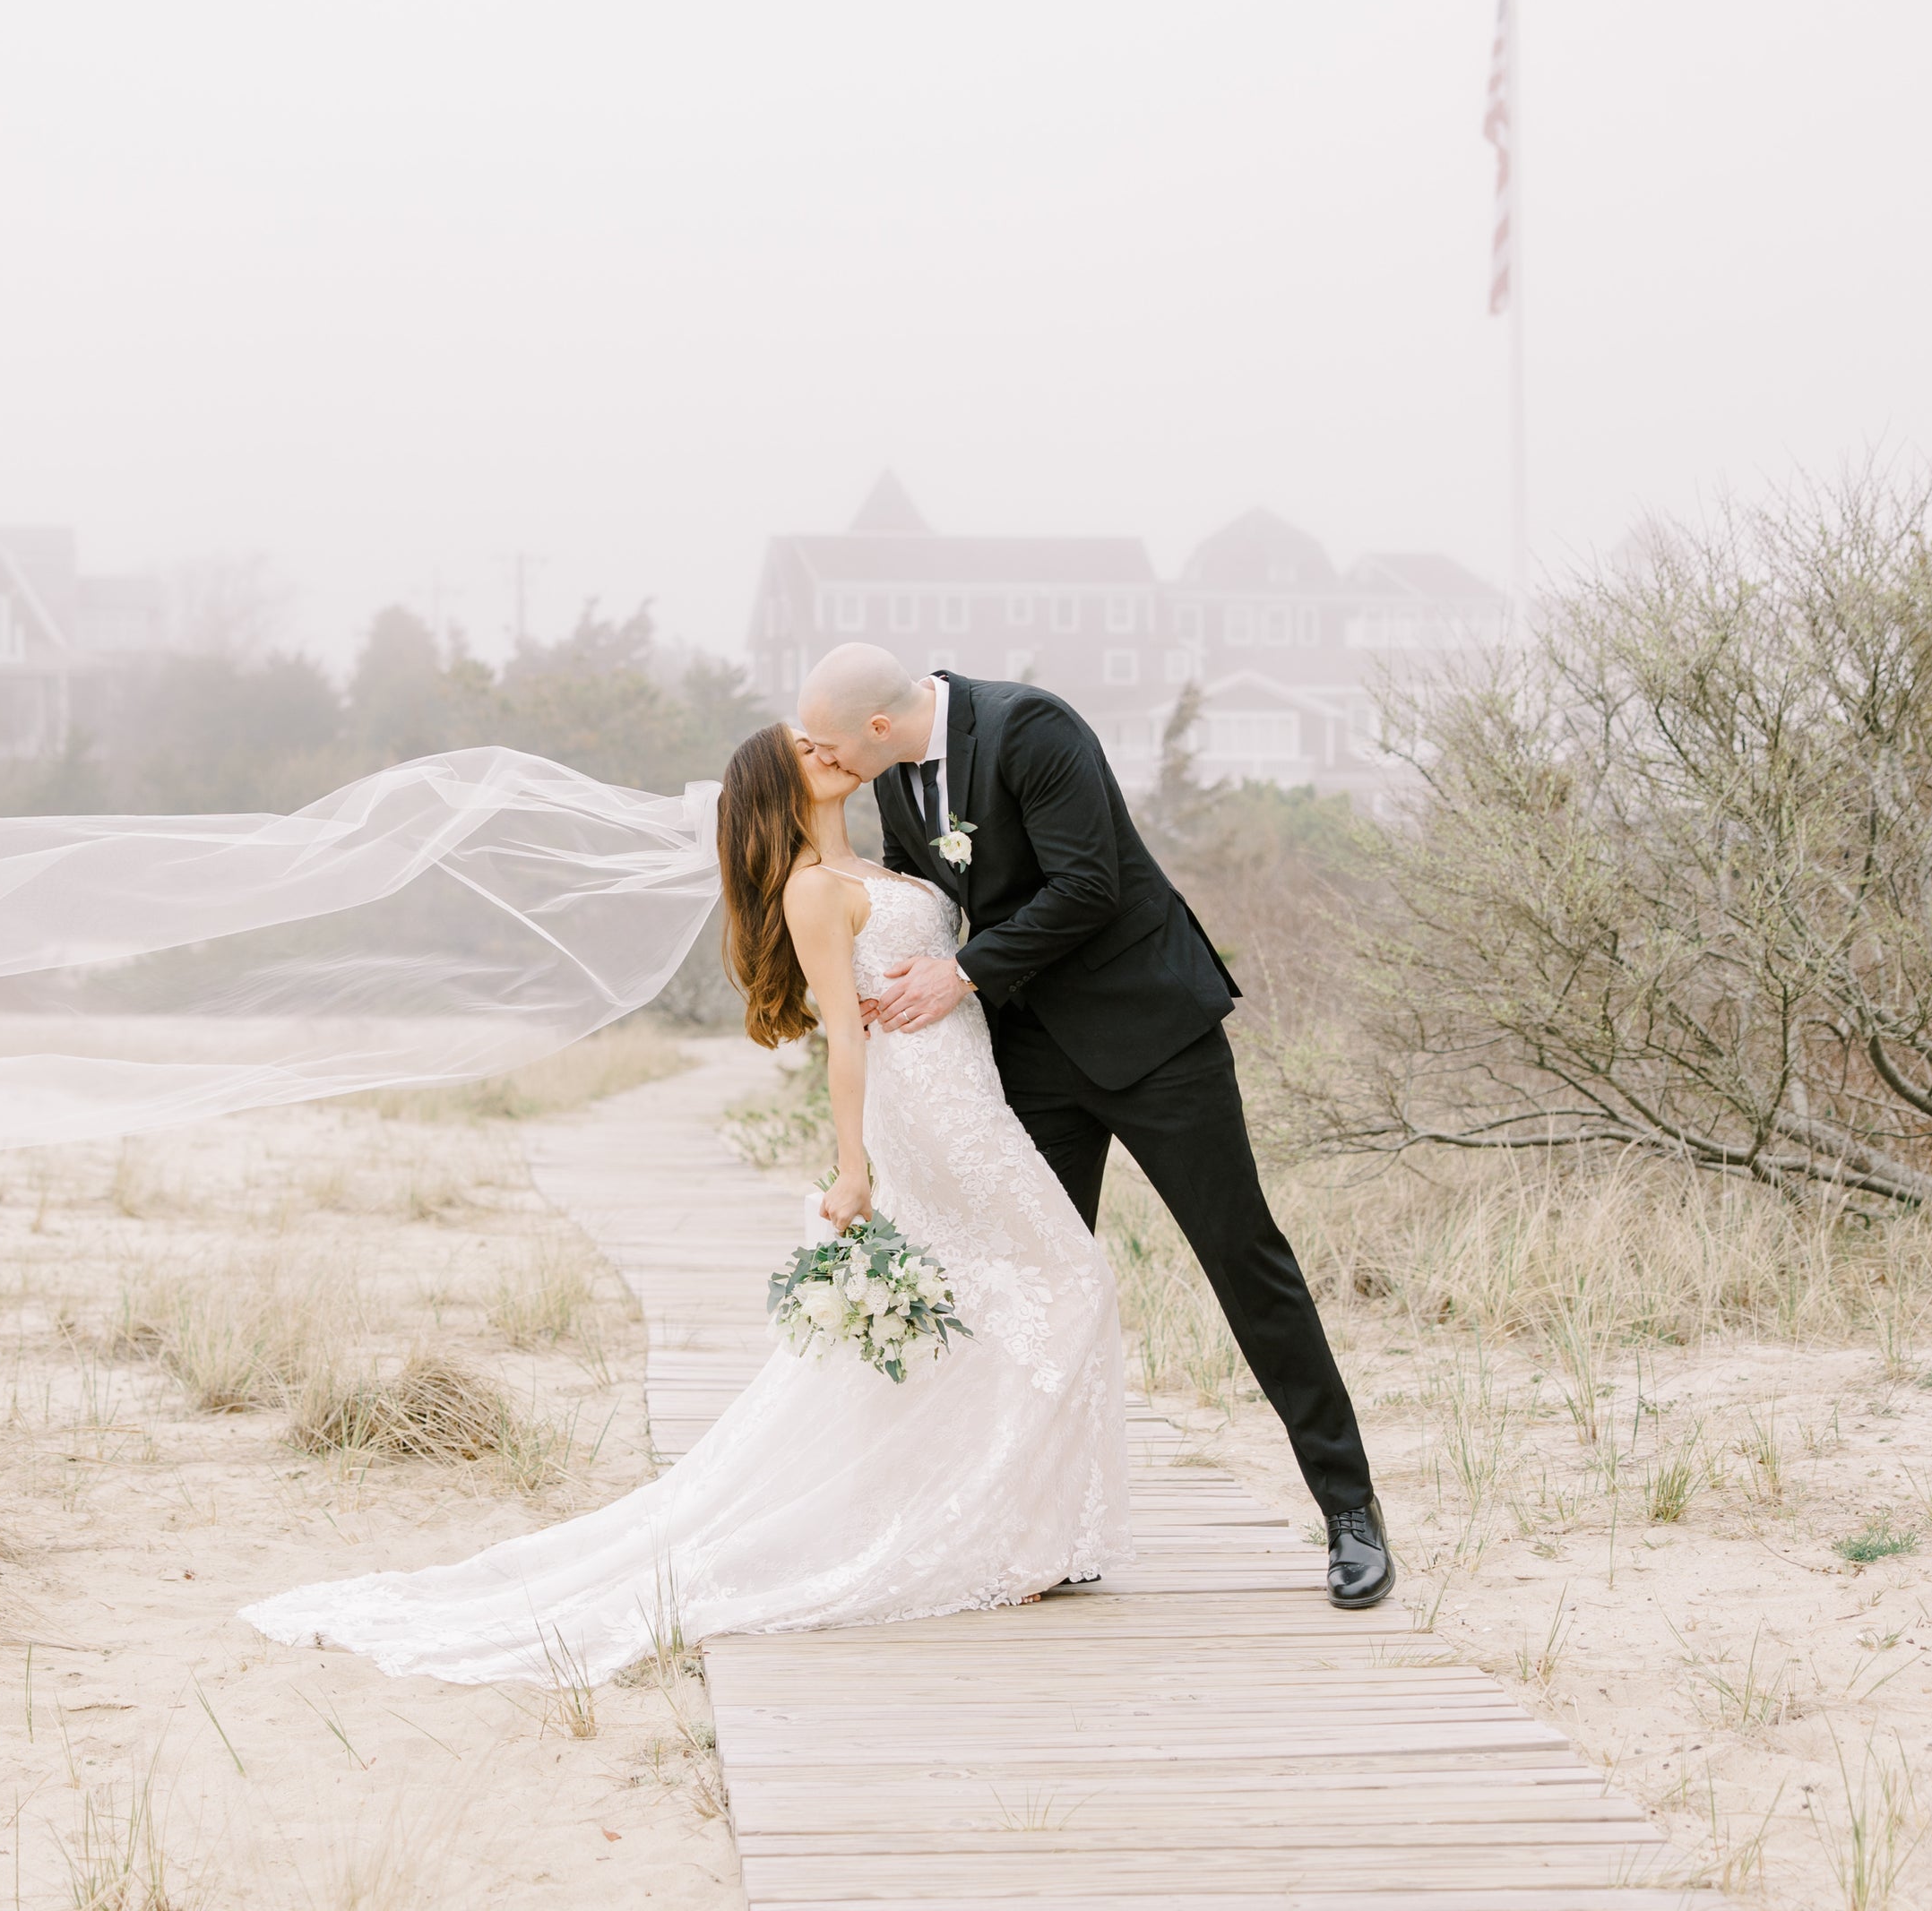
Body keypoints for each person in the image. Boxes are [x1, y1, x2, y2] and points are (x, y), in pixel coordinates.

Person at [240, 721, 1130, 1681]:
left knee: (1026, 1290)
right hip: (930, 1114)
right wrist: (853, 1165)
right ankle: (1015, 1537)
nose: (826, 748)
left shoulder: (886, 862)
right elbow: (844, 1037)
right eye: (805, 749)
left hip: (972, 1088)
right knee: (1068, 1276)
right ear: (779, 790)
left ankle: (1019, 1532)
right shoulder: (812, 890)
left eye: (824, 739)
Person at [795, 641, 1392, 1610]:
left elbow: (1089, 885)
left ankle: (1351, 1513)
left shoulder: (1032, 727)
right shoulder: (895, 778)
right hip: (1029, 1059)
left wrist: (962, 974)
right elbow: (924, 898)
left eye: (826, 747)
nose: (821, 762)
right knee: (1036, 1283)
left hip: (1152, 1037)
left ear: (875, 725)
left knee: (1246, 1259)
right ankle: (1050, 1530)